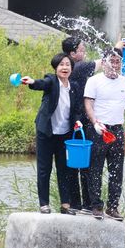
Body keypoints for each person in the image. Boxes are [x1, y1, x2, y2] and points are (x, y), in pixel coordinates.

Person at [62, 36, 125, 215]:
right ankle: (87, 204)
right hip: (83, 120)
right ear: (73, 54)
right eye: (81, 50)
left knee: (82, 165)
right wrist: (116, 48)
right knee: (86, 166)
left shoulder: (71, 67)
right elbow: (104, 62)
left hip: (80, 119)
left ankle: (84, 204)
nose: (84, 53)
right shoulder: (78, 67)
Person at [83, 48, 125, 221]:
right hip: (99, 129)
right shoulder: (94, 81)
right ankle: (96, 205)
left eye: (118, 61)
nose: (115, 64)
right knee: (95, 169)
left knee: (116, 170)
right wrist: (95, 123)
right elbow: (88, 104)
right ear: (105, 62)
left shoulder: (124, 82)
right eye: (112, 60)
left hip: (117, 130)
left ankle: (113, 207)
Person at [22, 53, 81, 214]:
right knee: (44, 169)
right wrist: (32, 82)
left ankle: (65, 205)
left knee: (64, 170)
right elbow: (41, 83)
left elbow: (76, 110)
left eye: (68, 65)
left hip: (65, 134)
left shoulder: (74, 87)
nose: (65, 67)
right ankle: (44, 204)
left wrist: (77, 120)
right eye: (61, 65)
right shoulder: (51, 81)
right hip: (46, 132)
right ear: (55, 68)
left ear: (71, 68)